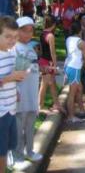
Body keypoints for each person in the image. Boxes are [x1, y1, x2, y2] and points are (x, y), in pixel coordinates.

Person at [13, 17, 43, 165]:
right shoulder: (14, 48)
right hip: (20, 94)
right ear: (17, 31)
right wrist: (15, 90)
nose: (28, 34)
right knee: (19, 126)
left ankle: (29, 151)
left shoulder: (30, 47)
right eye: (24, 31)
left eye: (30, 31)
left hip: (31, 93)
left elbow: (32, 67)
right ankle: (17, 156)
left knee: (30, 123)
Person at [0, 16, 27, 173]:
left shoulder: (11, 54)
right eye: (8, 36)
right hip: (1, 112)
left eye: (15, 37)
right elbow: (7, 77)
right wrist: (12, 77)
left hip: (11, 108)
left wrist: (15, 88)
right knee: (1, 152)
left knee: (9, 146)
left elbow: (11, 78)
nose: (12, 41)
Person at [64, 21, 85, 123]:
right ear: (80, 30)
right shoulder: (81, 43)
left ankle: (82, 110)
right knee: (72, 93)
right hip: (75, 68)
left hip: (71, 67)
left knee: (79, 88)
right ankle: (71, 116)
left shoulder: (69, 39)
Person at [38, 15, 64, 113]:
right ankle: (40, 105)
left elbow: (41, 50)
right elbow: (52, 52)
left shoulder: (42, 34)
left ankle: (56, 104)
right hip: (48, 62)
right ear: (53, 24)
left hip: (43, 60)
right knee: (45, 84)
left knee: (51, 84)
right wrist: (55, 65)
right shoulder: (50, 36)